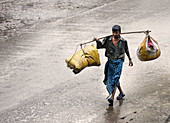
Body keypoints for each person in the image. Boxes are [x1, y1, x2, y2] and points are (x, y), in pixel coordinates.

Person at [93, 25, 133, 106]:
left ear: (120, 32)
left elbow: (126, 50)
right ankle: (121, 92)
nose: (115, 34)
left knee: (115, 78)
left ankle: (112, 97)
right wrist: (97, 41)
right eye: (113, 32)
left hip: (119, 61)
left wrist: (130, 59)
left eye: (116, 32)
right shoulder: (108, 40)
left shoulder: (123, 41)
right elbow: (101, 46)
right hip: (111, 61)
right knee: (112, 78)